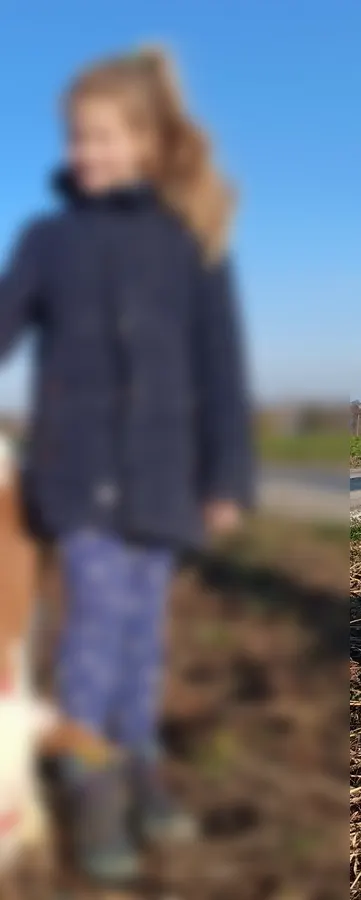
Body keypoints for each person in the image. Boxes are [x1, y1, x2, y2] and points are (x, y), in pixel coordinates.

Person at [0, 46, 253, 885]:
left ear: (148, 144)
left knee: (142, 642)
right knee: (92, 646)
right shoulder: (47, 240)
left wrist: (226, 480)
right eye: (79, 138)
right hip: (77, 483)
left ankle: (138, 772)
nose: (89, 153)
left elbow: (219, 370)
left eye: (106, 137)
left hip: (164, 482)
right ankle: (99, 794)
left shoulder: (184, 248)